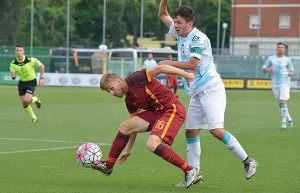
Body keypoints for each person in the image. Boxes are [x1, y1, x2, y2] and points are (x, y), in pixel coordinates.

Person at [158, 0, 257, 187]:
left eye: (179, 23)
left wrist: (167, 64)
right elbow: (163, 14)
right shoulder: (180, 34)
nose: (175, 26)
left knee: (216, 131)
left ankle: (248, 161)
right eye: (175, 22)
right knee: (190, 132)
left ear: (189, 24)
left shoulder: (198, 39)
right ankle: (194, 173)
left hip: (211, 88)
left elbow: (192, 66)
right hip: (196, 91)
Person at [92, 65, 198, 189]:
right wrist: (128, 150)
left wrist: (188, 75)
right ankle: (108, 166)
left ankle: (190, 171)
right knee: (125, 126)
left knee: (152, 144)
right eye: (108, 91)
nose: (112, 93)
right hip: (157, 113)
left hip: (171, 108)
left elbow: (161, 68)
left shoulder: (136, 78)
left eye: (111, 88)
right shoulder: (129, 100)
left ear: (118, 81)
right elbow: (132, 128)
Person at [262, 42, 294, 130]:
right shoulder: (270, 59)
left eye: (282, 47)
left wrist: (290, 73)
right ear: (276, 49)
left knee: (283, 102)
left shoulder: (288, 59)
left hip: (285, 82)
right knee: (281, 104)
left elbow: (291, 70)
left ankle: (283, 121)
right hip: (275, 83)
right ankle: (290, 119)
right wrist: (269, 69)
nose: (280, 48)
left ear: (284, 49)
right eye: (279, 47)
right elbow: (264, 69)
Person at [10, 44, 44, 122]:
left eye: (20, 50)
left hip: (31, 82)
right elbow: (13, 74)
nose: (19, 52)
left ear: (23, 51)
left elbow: (42, 66)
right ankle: (34, 118)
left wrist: (41, 78)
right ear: (15, 52)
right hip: (22, 83)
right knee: (24, 103)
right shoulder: (13, 63)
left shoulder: (31, 60)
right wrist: (13, 75)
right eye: (17, 50)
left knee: (27, 101)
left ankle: (36, 99)